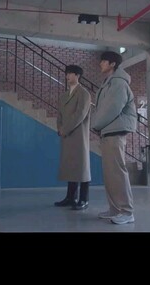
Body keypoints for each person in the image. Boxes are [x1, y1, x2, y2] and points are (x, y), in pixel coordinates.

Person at [91, 51, 137, 224]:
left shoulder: (118, 83)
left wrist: (95, 125)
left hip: (115, 132)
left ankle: (127, 211)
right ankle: (115, 209)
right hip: (108, 131)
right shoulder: (109, 83)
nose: (100, 64)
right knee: (110, 174)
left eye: (103, 61)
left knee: (117, 173)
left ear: (112, 64)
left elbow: (111, 108)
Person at [54, 65, 92, 210]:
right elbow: (59, 115)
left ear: (77, 75)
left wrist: (65, 129)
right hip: (66, 135)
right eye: (66, 74)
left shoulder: (84, 93)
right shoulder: (64, 95)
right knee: (70, 166)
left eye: (70, 74)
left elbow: (80, 114)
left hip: (78, 134)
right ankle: (70, 197)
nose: (67, 76)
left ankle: (83, 199)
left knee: (82, 167)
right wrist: (59, 128)